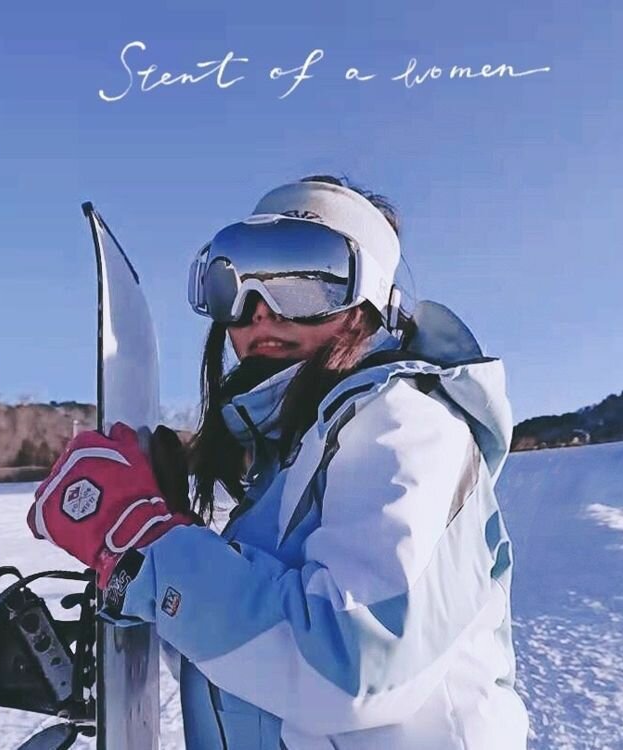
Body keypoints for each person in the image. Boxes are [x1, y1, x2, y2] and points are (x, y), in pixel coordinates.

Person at [28, 175, 530, 748]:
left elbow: (356, 667)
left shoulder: (404, 421)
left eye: (304, 284)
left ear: (372, 300)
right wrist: (156, 564)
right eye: (234, 286)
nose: (259, 313)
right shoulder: (291, 459)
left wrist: (149, 545)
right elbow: (257, 669)